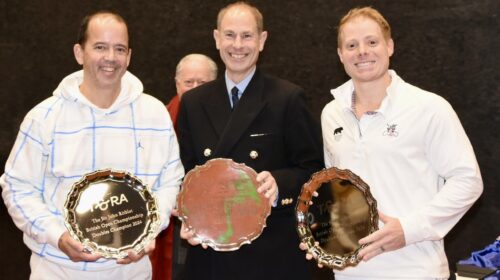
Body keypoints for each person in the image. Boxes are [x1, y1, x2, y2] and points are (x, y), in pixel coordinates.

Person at [0, 11, 184, 279]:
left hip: (132, 272)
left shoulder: (154, 114)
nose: (111, 57)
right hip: (58, 271)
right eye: (100, 47)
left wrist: (150, 229)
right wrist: (58, 236)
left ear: (129, 56)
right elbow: (17, 188)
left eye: (119, 49)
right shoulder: (44, 117)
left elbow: (170, 181)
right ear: (79, 52)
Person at [310, 6, 483, 279]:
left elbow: (468, 181)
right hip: (351, 273)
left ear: (389, 47)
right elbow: (337, 191)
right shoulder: (331, 114)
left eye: (372, 42)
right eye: (351, 45)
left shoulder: (429, 108)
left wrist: (408, 229)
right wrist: (321, 238)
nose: (362, 52)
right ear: (340, 54)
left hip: (414, 269)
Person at [176, 2, 324, 280]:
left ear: (262, 40)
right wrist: (188, 215)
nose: (238, 45)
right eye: (230, 35)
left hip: (270, 254)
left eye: (247, 36)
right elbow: (185, 174)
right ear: (217, 38)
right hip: (210, 252)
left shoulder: (287, 98)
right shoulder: (194, 103)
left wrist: (280, 183)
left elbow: (313, 170)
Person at [150, 53, 217, 280]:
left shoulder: (227, 121)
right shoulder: (158, 120)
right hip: (173, 220)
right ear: (177, 83)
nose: (195, 89)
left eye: (202, 83)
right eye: (189, 82)